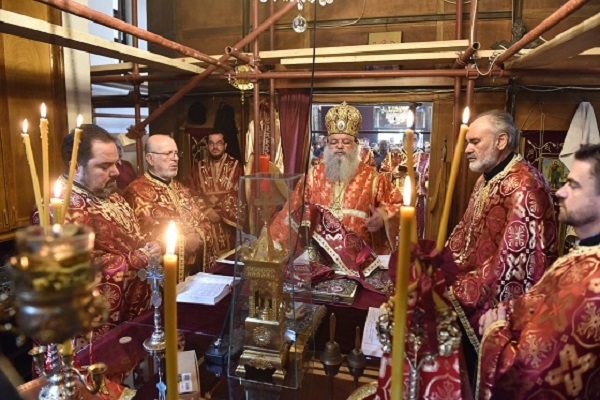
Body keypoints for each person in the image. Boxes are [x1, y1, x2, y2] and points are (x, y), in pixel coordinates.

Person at [445, 109, 558, 386]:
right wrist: (439, 264)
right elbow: (465, 234)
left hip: (495, 305)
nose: (467, 149)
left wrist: (459, 289)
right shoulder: (486, 179)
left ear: (501, 141)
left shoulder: (525, 186)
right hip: (471, 293)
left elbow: (513, 262)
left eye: (475, 142)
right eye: (467, 142)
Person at [478, 144, 600, 399]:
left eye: (574, 185)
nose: (560, 192)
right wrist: (509, 311)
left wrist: (495, 331)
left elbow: (532, 380)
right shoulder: (586, 255)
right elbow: (541, 303)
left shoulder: (591, 285)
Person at [270, 102, 402, 281]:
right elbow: (291, 211)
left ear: (356, 145)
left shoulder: (373, 178)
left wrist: (383, 216)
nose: (340, 146)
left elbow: (397, 204)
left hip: (358, 265)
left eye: (346, 142)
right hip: (319, 263)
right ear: (328, 145)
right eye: (334, 142)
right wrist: (272, 246)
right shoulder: (313, 176)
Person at [61, 125, 162, 340]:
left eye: (116, 163)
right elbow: (79, 271)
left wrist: (150, 245)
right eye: (105, 166)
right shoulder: (59, 209)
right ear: (75, 167)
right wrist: (140, 258)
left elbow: (132, 236)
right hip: (92, 332)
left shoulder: (112, 195)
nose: (116, 171)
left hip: (134, 315)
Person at [123, 134, 216, 274]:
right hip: (165, 276)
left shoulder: (180, 188)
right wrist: (184, 243)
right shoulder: (135, 192)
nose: (176, 158)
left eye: (176, 153)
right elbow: (142, 240)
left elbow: (203, 221)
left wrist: (198, 235)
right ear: (150, 158)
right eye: (168, 153)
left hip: (194, 272)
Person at [188, 130, 246, 258]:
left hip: (228, 224)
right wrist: (207, 211)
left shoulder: (236, 166)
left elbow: (239, 192)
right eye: (211, 143)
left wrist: (221, 212)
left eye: (219, 143)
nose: (215, 147)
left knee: (229, 258)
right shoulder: (198, 167)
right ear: (207, 146)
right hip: (206, 221)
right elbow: (191, 192)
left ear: (225, 145)